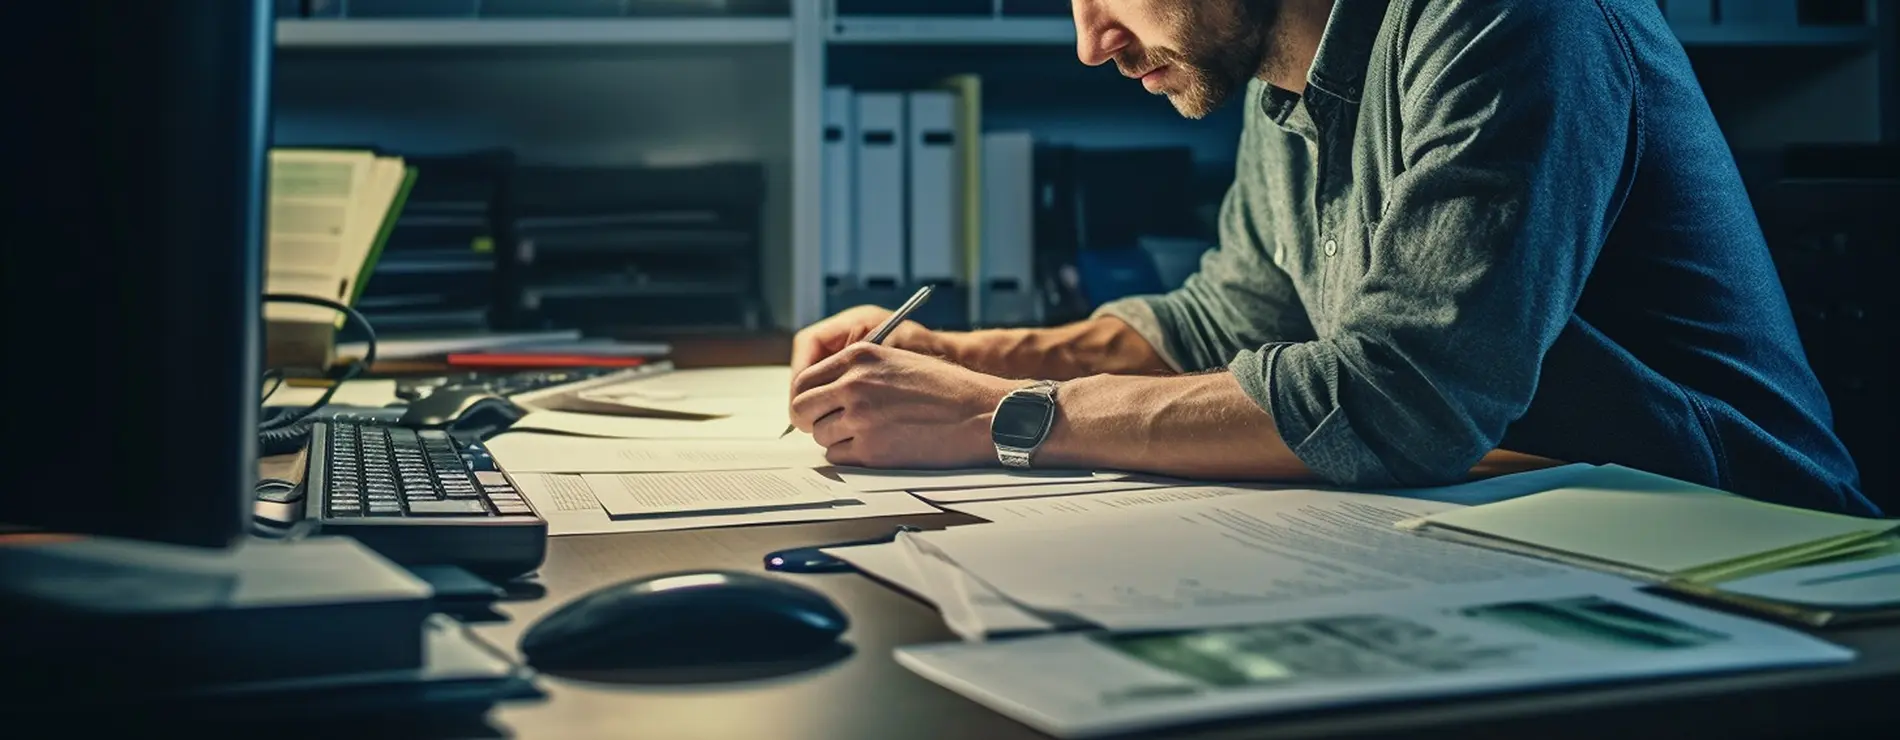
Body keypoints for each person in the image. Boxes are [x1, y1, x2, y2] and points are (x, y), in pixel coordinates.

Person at [788, 0, 1879, 516]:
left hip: (1746, 552)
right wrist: (947, 352)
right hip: (1529, 525)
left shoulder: (1508, 18)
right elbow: (1226, 318)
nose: (1091, 41)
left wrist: (994, 415)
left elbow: (1405, 396)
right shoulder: (1285, 78)